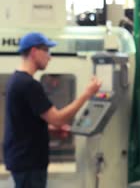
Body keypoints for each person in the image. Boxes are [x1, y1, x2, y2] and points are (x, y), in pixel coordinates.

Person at [3, 32, 102, 188]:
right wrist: (87, 94)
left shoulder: (17, 80)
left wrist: (51, 129)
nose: (50, 57)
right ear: (34, 52)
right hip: (29, 164)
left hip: (22, 160)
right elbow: (58, 118)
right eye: (47, 51)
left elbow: (25, 124)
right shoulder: (29, 85)